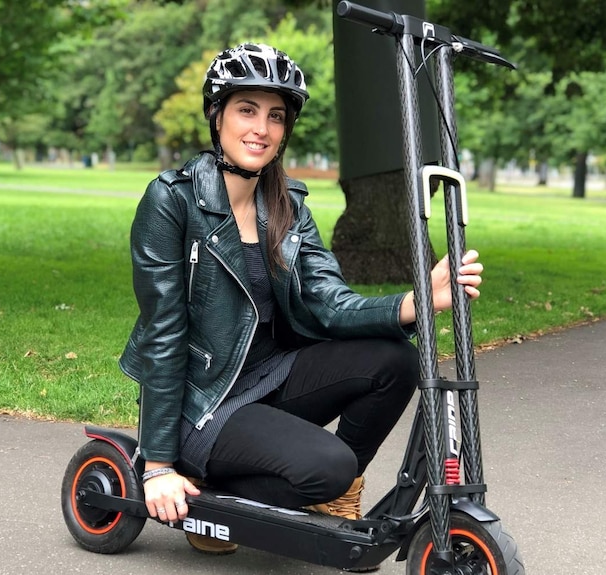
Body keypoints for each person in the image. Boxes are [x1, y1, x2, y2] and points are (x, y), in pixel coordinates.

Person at [118, 43, 483, 556]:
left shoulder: (288, 206)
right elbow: (163, 333)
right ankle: (224, 501)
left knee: (393, 359)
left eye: (276, 116)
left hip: (272, 378)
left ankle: (325, 492)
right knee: (330, 466)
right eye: (247, 110)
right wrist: (156, 465)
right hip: (203, 404)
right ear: (216, 115)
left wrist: (418, 300)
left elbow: (328, 303)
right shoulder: (171, 200)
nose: (261, 129)